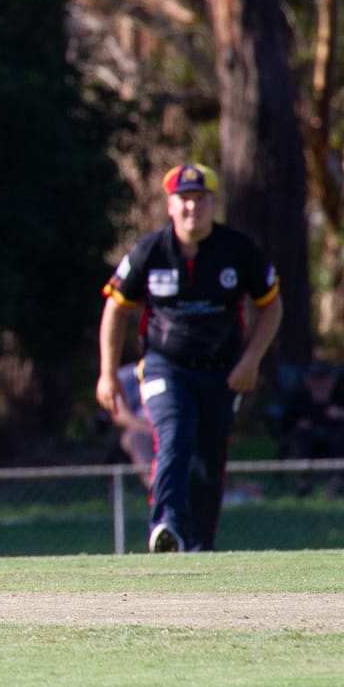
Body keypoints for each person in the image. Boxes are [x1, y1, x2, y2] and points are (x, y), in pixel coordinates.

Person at [96, 163, 281, 553]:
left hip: (223, 372)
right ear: (170, 205)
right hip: (166, 367)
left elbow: (272, 306)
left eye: (200, 200)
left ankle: (199, 546)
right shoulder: (150, 251)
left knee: (210, 454)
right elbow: (116, 309)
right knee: (175, 434)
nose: (192, 209)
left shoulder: (239, 250)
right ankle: (167, 527)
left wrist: (251, 361)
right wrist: (108, 375)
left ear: (213, 204)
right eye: (184, 200)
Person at [278, 362, 344, 461]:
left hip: (334, 434)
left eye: (322, 379)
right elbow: (287, 420)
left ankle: (337, 474)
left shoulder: (339, 396)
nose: (318, 383)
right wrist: (298, 423)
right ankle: (302, 474)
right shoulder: (298, 398)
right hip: (307, 434)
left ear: (331, 381)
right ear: (307, 381)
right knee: (302, 434)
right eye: (314, 379)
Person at [111, 363, 156, 490]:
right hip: (143, 431)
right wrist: (153, 430)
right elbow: (119, 415)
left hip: (174, 429)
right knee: (135, 438)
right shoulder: (127, 376)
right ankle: (155, 484)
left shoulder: (176, 369)